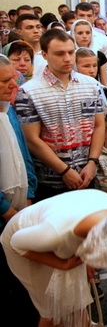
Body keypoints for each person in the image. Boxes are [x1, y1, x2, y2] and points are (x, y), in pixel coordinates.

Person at [1, 190, 107, 327]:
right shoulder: (53, 233)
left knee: (73, 301)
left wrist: (87, 261)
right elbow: (16, 244)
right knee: (51, 312)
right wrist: (62, 264)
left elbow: (95, 237)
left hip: (57, 234)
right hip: (22, 242)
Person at [15, 28, 105, 202]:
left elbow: (99, 125)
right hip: (51, 180)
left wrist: (92, 162)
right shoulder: (29, 91)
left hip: (87, 173)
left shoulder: (91, 85)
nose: (67, 58)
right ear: (44, 54)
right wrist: (64, 170)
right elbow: (32, 139)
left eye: (71, 52)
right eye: (59, 53)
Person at [0, 54, 39, 324]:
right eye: (5, 81)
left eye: (14, 77)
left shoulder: (8, 109)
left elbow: (24, 154)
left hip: (20, 207)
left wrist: (29, 195)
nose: (14, 85)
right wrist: (6, 210)